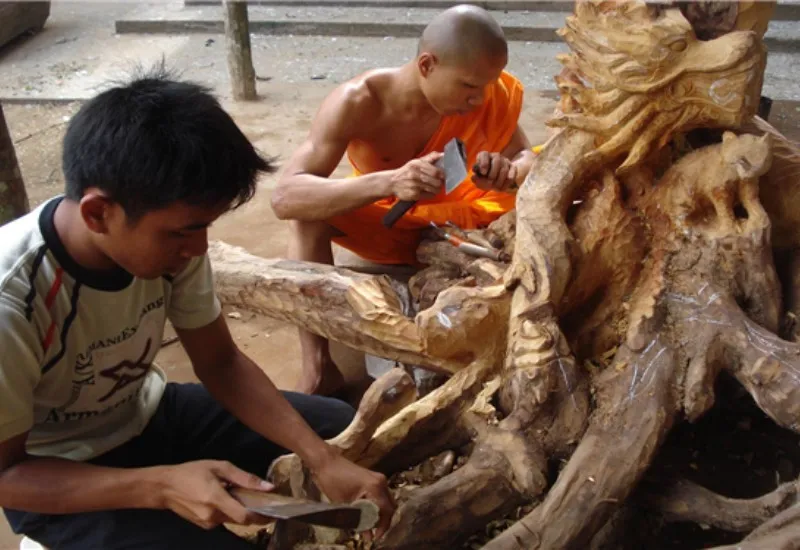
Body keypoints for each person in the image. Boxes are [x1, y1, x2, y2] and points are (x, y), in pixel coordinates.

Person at [0, 68, 394, 550]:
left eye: (206, 226)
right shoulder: (11, 300)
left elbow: (221, 362)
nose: (200, 247)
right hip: (60, 473)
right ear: (98, 213)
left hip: (145, 412)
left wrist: (321, 458)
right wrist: (161, 486)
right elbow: (8, 475)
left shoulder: (171, 246)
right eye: (183, 231)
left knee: (342, 429)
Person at [271, 4, 538, 396]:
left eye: (487, 85)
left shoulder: (489, 96)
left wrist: (506, 173)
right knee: (309, 214)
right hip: (389, 222)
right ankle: (318, 365)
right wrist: (390, 182)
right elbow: (284, 197)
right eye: (468, 87)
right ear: (427, 64)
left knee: (560, 177)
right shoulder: (357, 101)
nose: (480, 99)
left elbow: (527, 157)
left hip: (462, 221)